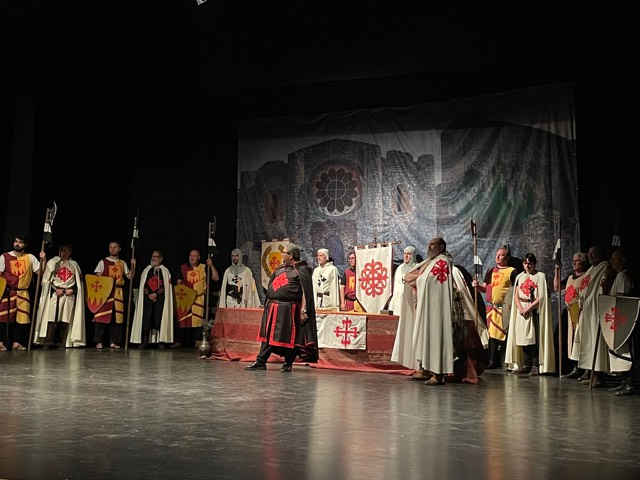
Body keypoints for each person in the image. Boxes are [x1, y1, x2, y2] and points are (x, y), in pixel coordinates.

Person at [245, 243, 318, 371]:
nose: (282, 254)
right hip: (273, 307)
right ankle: (261, 361)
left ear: (291, 255)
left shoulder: (301, 270)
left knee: (290, 337)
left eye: (284, 252)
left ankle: (287, 363)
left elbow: (305, 293)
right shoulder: (280, 268)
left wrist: (303, 310)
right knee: (268, 335)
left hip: (289, 309)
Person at [405, 237, 454, 385]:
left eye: (433, 245)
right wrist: (419, 277)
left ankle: (438, 373)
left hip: (437, 306)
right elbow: (409, 277)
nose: (429, 247)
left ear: (441, 247)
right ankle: (424, 368)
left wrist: (419, 277)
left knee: (436, 336)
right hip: (425, 305)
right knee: (423, 335)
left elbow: (430, 280)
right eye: (429, 244)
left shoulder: (443, 261)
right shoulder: (430, 261)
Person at [504, 253, 555, 376]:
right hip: (522, 310)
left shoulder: (540, 276)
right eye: (525, 263)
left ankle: (535, 365)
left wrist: (528, 308)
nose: (527, 266)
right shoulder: (520, 276)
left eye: (530, 263)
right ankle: (526, 364)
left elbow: (541, 296)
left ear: (534, 264)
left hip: (533, 310)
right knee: (522, 337)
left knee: (534, 338)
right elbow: (516, 294)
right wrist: (521, 308)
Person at [472, 245, 518, 369]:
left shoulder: (512, 271)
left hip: (504, 308)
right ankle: (492, 360)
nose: (497, 257)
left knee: (505, 334)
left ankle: (505, 360)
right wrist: (477, 286)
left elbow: (516, 290)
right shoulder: (491, 270)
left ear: (507, 258)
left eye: (501, 255)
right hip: (491, 308)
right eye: (497, 254)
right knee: (492, 334)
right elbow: (484, 288)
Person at [33, 243, 85, 349]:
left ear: (70, 252)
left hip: (68, 295)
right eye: (61, 250)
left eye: (65, 251)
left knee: (65, 319)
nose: (62, 253)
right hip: (55, 294)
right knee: (51, 318)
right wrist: (55, 289)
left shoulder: (74, 265)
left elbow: (80, 283)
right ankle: (48, 342)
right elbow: (46, 280)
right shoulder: (53, 262)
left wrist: (73, 290)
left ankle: (61, 342)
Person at [571, 245, 609, 387]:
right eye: (589, 253)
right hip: (586, 309)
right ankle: (591, 373)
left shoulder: (604, 267)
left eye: (594, 253)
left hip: (596, 309)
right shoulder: (591, 269)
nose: (590, 256)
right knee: (588, 341)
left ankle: (597, 375)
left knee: (594, 341)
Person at [0, 234, 44, 351]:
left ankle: (16, 343)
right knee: (3, 318)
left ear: (25, 245)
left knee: (22, 319)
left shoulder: (30, 258)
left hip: (23, 292)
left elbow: (40, 272)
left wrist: (44, 259)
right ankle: (1, 342)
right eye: (16, 241)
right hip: (8, 292)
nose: (17, 244)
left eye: (20, 242)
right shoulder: (4, 256)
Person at [92, 241, 136, 349]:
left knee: (116, 317)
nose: (112, 249)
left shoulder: (122, 263)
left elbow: (130, 277)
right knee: (102, 316)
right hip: (106, 292)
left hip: (117, 292)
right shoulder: (103, 262)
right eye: (110, 247)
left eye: (115, 247)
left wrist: (133, 265)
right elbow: (98, 276)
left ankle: (114, 341)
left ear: (119, 249)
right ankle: (99, 341)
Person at [171, 249, 219, 348]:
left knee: (197, 319)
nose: (192, 258)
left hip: (198, 298)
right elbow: (178, 284)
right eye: (190, 255)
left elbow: (216, 278)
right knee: (183, 319)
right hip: (185, 298)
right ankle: (180, 340)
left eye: (194, 256)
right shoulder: (183, 267)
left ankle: (198, 340)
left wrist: (211, 265)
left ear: (199, 257)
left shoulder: (204, 267)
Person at [606, 248, 637, 396]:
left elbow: (622, 300)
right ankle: (624, 381)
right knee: (619, 351)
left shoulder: (623, 278)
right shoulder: (618, 277)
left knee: (626, 352)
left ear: (622, 260)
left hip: (623, 322)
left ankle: (630, 383)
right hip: (617, 322)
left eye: (614, 258)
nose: (611, 261)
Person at [554, 251, 589, 378]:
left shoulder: (586, 276)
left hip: (580, 311)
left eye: (577, 261)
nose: (574, 263)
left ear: (583, 262)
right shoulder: (570, 277)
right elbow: (557, 287)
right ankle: (575, 367)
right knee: (571, 340)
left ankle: (584, 368)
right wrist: (557, 269)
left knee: (580, 339)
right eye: (573, 261)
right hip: (569, 312)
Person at [130, 250, 174, 349]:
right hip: (147, 299)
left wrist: (156, 294)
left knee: (159, 318)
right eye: (152, 256)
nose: (153, 258)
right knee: (146, 318)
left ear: (161, 259)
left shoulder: (165, 271)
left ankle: (160, 341)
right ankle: (145, 340)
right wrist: (149, 294)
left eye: (156, 256)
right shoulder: (147, 270)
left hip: (160, 299)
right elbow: (143, 285)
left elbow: (166, 286)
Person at [390, 246, 418, 369]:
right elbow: (397, 288)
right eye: (405, 253)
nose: (406, 256)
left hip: (411, 302)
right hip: (399, 302)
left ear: (413, 255)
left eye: (409, 254)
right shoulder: (399, 268)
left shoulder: (417, 268)